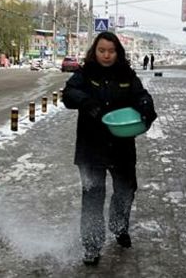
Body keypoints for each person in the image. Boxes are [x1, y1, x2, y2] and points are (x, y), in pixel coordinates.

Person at [63, 32, 157, 266]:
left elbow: (141, 95)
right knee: (93, 196)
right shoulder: (84, 74)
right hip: (90, 148)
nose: (106, 55)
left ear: (118, 53)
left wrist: (146, 106)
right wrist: (86, 101)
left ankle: (119, 226)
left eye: (111, 51)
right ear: (95, 52)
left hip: (121, 146)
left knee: (125, 191)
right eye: (102, 50)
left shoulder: (127, 75)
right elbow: (68, 94)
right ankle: (92, 246)